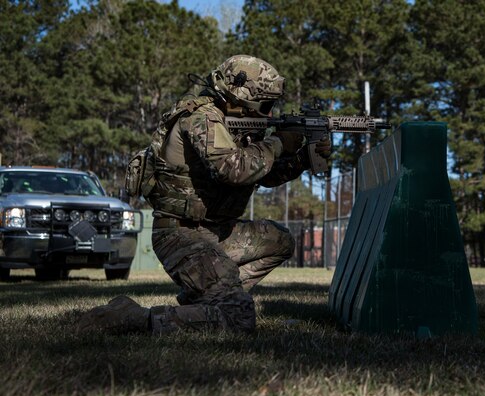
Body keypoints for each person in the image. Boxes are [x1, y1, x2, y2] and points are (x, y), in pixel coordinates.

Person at [78, 55, 330, 334]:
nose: (268, 115)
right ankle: (135, 317)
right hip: (181, 234)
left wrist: (302, 160)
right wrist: (279, 143)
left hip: (215, 231)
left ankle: (209, 299)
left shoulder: (231, 123)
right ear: (238, 95)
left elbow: (263, 174)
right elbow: (234, 169)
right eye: (265, 105)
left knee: (279, 240)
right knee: (238, 320)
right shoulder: (202, 118)